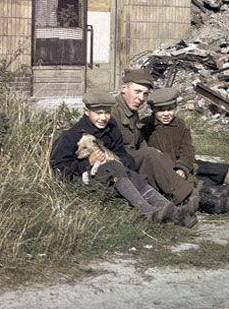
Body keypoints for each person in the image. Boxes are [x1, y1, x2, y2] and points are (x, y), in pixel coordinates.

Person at [49, 89, 198, 227]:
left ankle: (175, 213)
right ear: (86, 111)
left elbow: (125, 156)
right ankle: (149, 212)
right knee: (114, 167)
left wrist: (118, 161)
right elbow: (59, 167)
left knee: (127, 171)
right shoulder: (71, 136)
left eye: (107, 113)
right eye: (98, 113)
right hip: (86, 181)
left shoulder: (111, 129)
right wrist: (88, 162)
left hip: (114, 178)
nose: (103, 117)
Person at [142, 87, 229, 212]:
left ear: (176, 107)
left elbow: (187, 149)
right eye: (161, 110)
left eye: (170, 109)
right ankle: (217, 195)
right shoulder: (145, 125)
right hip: (163, 170)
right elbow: (143, 151)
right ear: (153, 110)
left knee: (216, 169)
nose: (166, 114)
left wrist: (182, 167)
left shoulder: (180, 124)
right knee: (193, 183)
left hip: (183, 164)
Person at [110, 68, 200, 212]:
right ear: (124, 88)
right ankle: (189, 196)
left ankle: (192, 193)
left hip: (131, 160)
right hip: (119, 164)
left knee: (159, 155)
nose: (141, 98)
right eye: (137, 91)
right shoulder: (112, 113)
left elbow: (137, 141)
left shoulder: (131, 112)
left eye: (145, 94)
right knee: (150, 154)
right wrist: (148, 152)